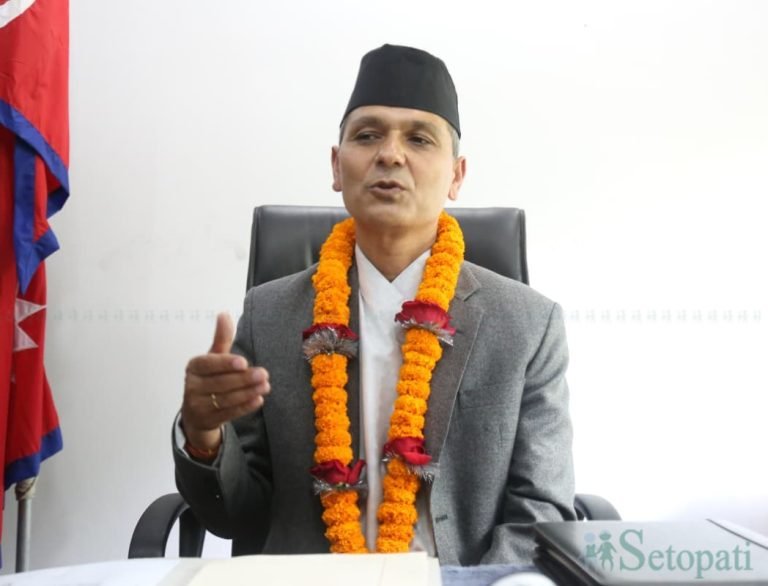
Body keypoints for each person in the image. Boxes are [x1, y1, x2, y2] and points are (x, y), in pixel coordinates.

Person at [173, 44, 576, 566]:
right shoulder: (270, 314)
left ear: (456, 175)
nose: (390, 154)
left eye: (419, 139)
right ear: (336, 167)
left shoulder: (528, 325)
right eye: (367, 135)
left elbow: (540, 512)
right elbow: (238, 517)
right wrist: (204, 435)